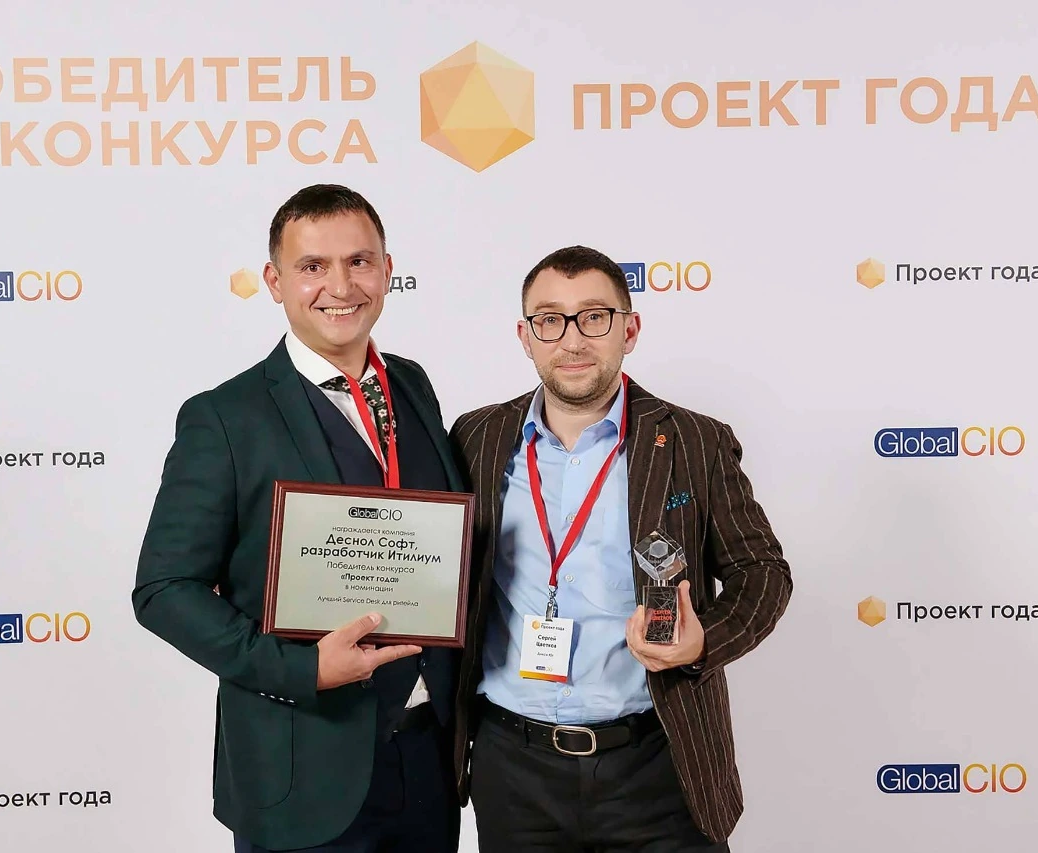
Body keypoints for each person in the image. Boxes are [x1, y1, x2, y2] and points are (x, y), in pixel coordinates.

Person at [132, 184, 462, 853]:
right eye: (313, 266)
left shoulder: (412, 384)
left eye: (358, 261)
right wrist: (299, 669)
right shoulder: (225, 417)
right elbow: (163, 590)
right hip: (299, 771)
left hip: (427, 762)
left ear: (387, 271)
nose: (340, 286)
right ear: (275, 281)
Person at [448, 245, 793, 852]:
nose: (572, 339)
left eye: (594, 317)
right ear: (526, 337)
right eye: (550, 320)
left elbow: (762, 572)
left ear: (629, 330)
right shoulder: (478, 435)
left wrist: (702, 642)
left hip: (656, 763)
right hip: (513, 768)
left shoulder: (694, 440)